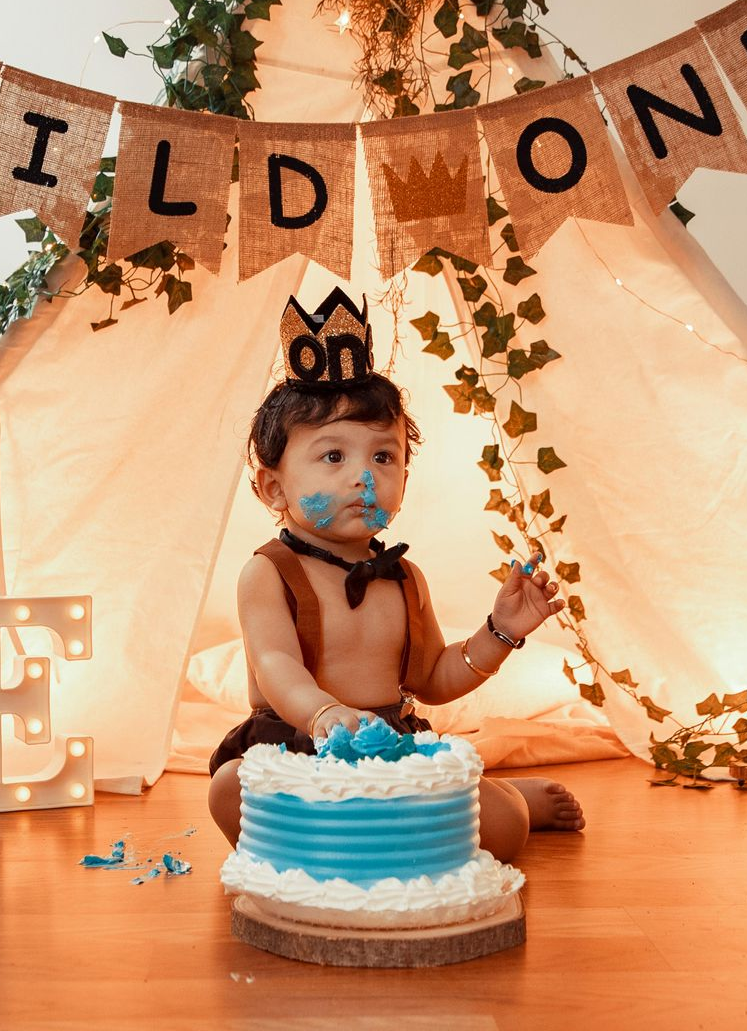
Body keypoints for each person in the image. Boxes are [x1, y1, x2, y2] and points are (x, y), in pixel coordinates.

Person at [208, 287, 585, 862]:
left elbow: (434, 678)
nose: (364, 477)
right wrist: (325, 714)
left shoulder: (403, 576)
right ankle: (361, 843)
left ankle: (511, 799)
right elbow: (276, 664)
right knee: (229, 789)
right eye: (334, 457)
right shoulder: (269, 572)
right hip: (301, 743)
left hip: (391, 746)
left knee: (504, 830)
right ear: (273, 486)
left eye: (383, 457)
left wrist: (501, 631)